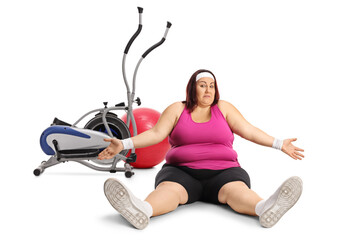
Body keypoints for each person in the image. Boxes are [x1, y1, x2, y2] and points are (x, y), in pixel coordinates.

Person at [98, 69, 305, 230]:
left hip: (224, 171)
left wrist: (279, 143)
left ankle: (265, 208)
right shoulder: (177, 109)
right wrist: (123, 144)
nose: (208, 90)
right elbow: (155, 134)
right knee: (169, 191)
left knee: (237, 191)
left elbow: (248, 130)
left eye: (212, 86)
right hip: (181, 172)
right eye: (203, 85)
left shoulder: (223, 108)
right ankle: (141, 210)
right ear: (192, 88)